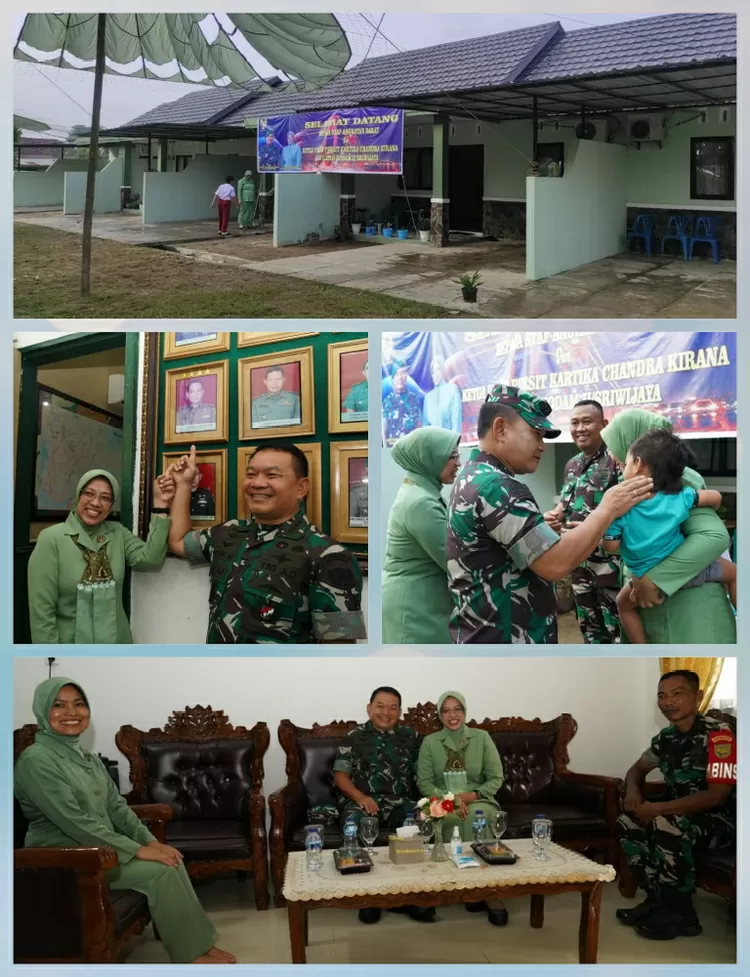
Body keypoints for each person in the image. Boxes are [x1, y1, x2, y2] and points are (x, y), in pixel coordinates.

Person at [14, 677, 236, 964]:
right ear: (43, 711)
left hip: (100, 850)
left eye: (79, 704)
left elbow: (118, 808)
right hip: (65, 860)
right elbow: (75, 822)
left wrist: (151, 842)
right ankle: (189, 955)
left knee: (172, 858)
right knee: (161, 872)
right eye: (59, 705)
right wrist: (137, 850)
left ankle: (201, 944)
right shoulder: (37, 760)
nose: (72, 712)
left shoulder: (85, 757)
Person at [446, 385, 653, 644]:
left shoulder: (473, 475)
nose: (542, 446)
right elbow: (554, 564)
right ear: (500, 429)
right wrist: (608, 508)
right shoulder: (496, 486)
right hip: (506, 638)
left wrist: (538, 527)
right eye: (536, 434)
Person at [165, 442, 366, 644]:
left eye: (272, 475)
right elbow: (178, 542)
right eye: (251, 474)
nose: (258, 483)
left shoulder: (329, 556)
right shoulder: (229, 533)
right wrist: (183, 485)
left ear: (301, 487)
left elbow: (340, 650)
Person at [616, 670, 735, 940]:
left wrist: (657, 809)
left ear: (698, 696)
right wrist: (633, 792)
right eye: (661, 696)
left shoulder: (719, 736)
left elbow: (717, 796)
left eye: (677, 694)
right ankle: (657, 899)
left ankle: (682, 914)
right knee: (627, 820)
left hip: (721, 822)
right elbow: (636, 770)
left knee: (665, 822)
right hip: (680, 815)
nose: (667, 701)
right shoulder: (666, 738)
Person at [600, 408, 736, 644]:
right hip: (658, 605)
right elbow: (713, 498)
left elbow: (713, 537)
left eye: (613, 443)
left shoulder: (682, 479)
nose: (610, 453)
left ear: (637, 453)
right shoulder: (633, 484)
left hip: (687, 611)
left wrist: (652, 579)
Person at [28, 470, 173, 644]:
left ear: (111, 505)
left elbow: (152, 559)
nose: (96, 503)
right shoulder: (51, 539)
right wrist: (52, 657)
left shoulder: (117, 533)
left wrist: (161, 505)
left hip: (117, 646)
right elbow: (41, 612)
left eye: (105, 498)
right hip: (71, 651)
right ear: (78, 495)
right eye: (89, 493)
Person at [333, 686, 433, 926]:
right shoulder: (354, 736)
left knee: (422, 819)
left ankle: (411, 896)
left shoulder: (412, 737)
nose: (386, 712)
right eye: (380, 706)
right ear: (369, 708)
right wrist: (359, 797)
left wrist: (431, 800)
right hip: (364, 801)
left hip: (400, 802)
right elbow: (340, 775)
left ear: (400, 711)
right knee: (355, 823)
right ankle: (369, 898)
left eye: (392, 707)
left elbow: (423, 774)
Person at [417, 691, 507, 927]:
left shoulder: (482, 737)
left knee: (478, 817)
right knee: (442, 818)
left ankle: (488, 891)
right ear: (439, 715)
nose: (452, 715)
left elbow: (496, 778)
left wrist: (468, 796)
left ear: (465, 712)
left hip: (478, 798)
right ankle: (444, 886)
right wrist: (451, 801)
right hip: (443, 800)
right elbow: (425, 782)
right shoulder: (430, 742)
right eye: (446, 710)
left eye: (457, 709)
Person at [544, 400, 622, 644]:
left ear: (604, 425)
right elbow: (565, 504)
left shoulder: (617, 461)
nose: (580, 428)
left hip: (609, 566)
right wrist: (554, 515)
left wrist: (598, 532)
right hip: (579, 565)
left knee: (617, 632)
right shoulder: (572, 465)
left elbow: (628, 511)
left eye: (587, 421)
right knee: (589, 630)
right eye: (575, 422)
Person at [382, 427, 460, 644]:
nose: (459, 463)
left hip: (423, 602)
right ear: (429, 458)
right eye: (452, 456)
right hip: (415, 609)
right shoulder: (420, 502)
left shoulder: (420, 491)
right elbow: (455, 561)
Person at [383, 359, 422, 446]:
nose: (400, 378)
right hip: (393, 449)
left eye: (403, 373)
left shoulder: (414, 399)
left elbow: (419, 426)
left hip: (411, 448)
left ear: (406, 376)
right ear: (393, 378)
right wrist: (385, 450)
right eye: (397, 374)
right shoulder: (387, 401)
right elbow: (384, 430)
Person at [422, 354, 463, 434]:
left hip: (448, 443)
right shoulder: (428, 397)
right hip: (432, 444)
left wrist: (454, 443)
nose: (435, 374)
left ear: (443, 370)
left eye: (438, 369)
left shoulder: (453, 390)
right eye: (433, 372)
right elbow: (425, 426)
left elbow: (456, 420)